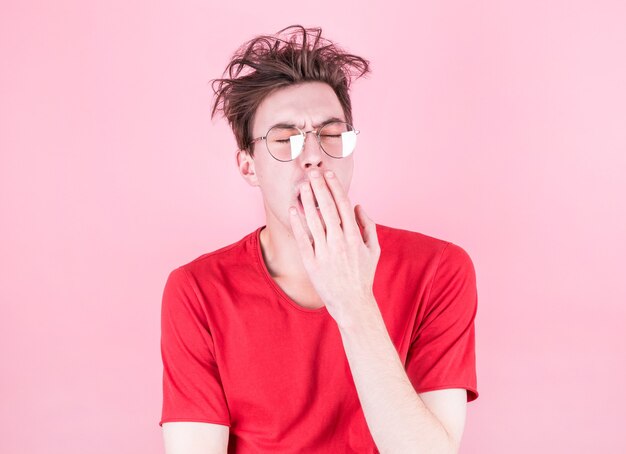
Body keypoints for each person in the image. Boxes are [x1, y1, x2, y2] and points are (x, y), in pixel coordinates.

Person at [159, 25, 479, 454]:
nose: (313, 155)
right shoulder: (196, 290)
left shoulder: (440, 269)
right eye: (284, 140)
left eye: (330, 135)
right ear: (248, 166)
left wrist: (353, 302)